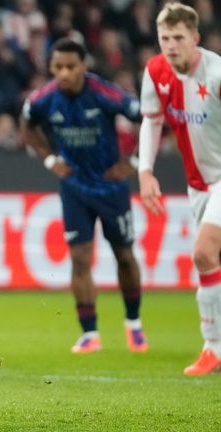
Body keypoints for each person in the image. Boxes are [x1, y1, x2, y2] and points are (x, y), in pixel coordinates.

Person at [22, 38, 146, 354]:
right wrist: (50, 159)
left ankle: (133, 323)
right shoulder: (44, 99)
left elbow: (148, 118)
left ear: (83, 67)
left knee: (124, 255)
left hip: (111, 187)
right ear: (51, 68)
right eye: (58, 67)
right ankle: (90, 333)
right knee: (79, 258)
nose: (64, 73)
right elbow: (28, 126)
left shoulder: (104, 93)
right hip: (74, 187)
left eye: (70, 67)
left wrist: (132, 162)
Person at [138, 3, 221, 375]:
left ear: (195, 39)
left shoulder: (216, 74)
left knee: (203, 254)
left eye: (178, 38)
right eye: (164, 38)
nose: (170, 46)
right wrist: (145, 171)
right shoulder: (155, 71)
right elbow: (151, 122)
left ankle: (213, 348)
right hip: (197, 185)